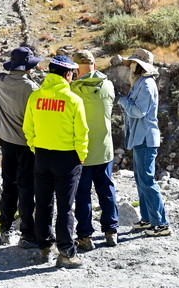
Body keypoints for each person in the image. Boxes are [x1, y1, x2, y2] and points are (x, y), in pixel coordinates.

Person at [22, 55, 89, 269]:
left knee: (43, 203)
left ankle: (45, 247)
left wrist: (36, 148)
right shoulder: (73, 100)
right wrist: (81, 155)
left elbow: (27, 128)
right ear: (67, 74)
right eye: (72, 74)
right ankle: (66, 253)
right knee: (65, 207)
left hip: (41, 156)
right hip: (67, 158)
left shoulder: (35, 97)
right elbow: (82, 133)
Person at [0, 44, 41, 248]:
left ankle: (5, 228)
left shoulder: (0, 81)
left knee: (9, 185)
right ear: (27, 67)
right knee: (26, 188)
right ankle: (27, 234)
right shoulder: (32, 89)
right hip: (27, 145)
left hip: (6, 142)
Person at [118, 47, 170, 237]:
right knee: (141, 181)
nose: (130, 66)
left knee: (147, 181)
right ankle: (147, 219)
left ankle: (161, 224)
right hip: (141, 138)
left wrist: (122, 101)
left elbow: (139, 112)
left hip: (146, 139)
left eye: (132, 63)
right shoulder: (141, 83)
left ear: (138, 65)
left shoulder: (147, 85)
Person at [71, 48, 119, 250]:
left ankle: (85, 237)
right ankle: (111, 232)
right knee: (106, 189)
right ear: (95, 66)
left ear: (75, 70)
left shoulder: (72, 90)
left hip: (82, 152)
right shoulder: (108, 86)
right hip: (104, 148)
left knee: (82, 195)